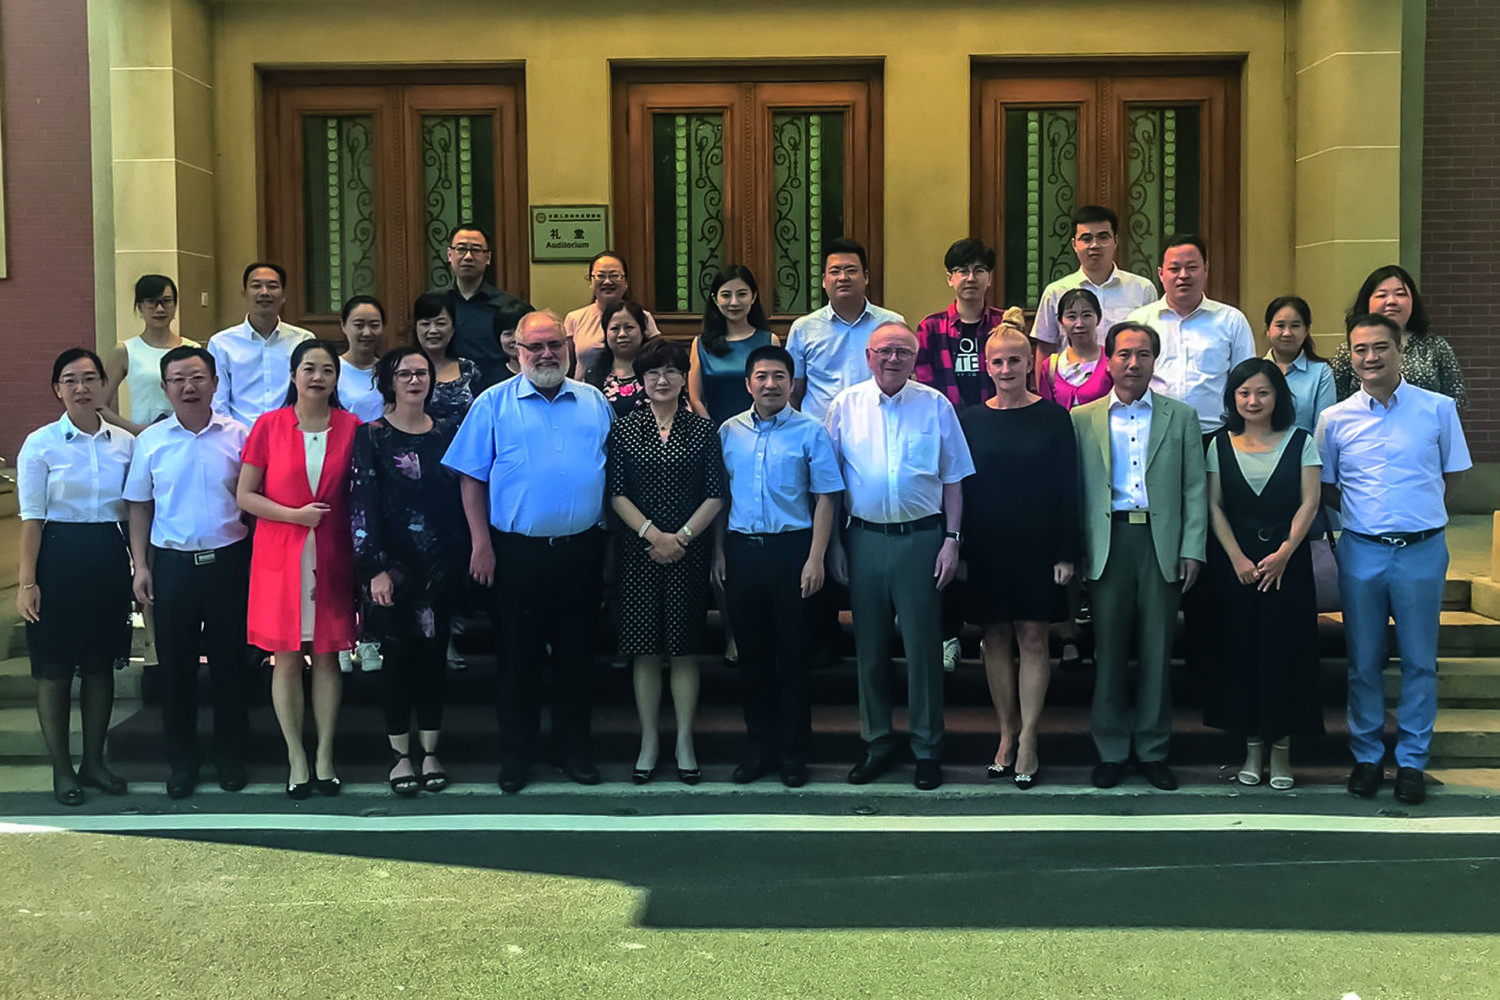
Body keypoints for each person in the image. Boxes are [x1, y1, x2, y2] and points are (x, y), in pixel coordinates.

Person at [443, 310, 614, 794]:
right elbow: (471, 476)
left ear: (569, 347)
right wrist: (481, 544)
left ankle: (572, 751)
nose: (545, 354)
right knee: (517, 659)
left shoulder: (594, 402)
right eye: (534, 347)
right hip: (514, 554)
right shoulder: (492, 404)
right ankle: (517, 756)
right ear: (514, 352)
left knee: (576, 658)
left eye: (554, 345)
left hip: (581, 551)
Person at [1318, 313, 1471, 805]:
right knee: (1363, 661)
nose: (1370, 357)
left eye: (1380, 347)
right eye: (1360, 349)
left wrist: (1417, 515)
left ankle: (1411, 762)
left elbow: (1454, 477)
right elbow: (1329, 488)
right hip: (1361, 551)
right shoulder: (1334, 419)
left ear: (1400, 348)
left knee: (1420, 662)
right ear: (1351, 355)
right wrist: (1370, 521)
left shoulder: (1438, 409)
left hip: (1423, 550)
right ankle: (1366, 757)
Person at [825, 322, 975, 791]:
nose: (894, 359)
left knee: (924, 650)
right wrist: (832, 544)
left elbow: (954, 477)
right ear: (868, 356)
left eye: (904, 353)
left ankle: (927, 748)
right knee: (869, 649)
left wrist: (952, 538)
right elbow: (830, 484)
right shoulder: (844, 406)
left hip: (921, 541)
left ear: (915, 359)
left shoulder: (935, 405)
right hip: (863, 539)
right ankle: (877, 744)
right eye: (885, 351)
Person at [1072, 322, 1207, 791]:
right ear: (1107, 360)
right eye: (1125, 354)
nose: (1134, 363)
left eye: (1144, 354)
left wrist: (1193, 548)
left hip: (1160, 542)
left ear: (1155, 361)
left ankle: (1152, 750)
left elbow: (1195, 486)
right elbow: (1074, 492)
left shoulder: (1181, 417)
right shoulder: (1082, 418)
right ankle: (1110, 749)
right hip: (1107, 545)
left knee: (1156, 652)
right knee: (1108, 654)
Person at [124, 346, 251, 799]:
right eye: (177, 379)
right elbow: (139, 505)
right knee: (175, 671)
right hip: (173, 566)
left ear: (215, 383)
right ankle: (182, 761)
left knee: (230, 667)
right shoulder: (151, 442)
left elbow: (255, 500)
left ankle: (231, 756)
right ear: (164, 388)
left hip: (230, 562)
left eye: (197, 377)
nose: (188, 387)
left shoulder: (240, 435)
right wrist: (141, 565)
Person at [713, 345, 842, 788]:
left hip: (794, 552)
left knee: (793, 657)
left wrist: (816, 558)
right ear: (748, 383)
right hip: (743, 552)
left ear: (792, 382)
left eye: (779, 377)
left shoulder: (810, 431)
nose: (771, 385)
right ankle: (760, 748)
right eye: (762, 377)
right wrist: (719, 553)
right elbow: (721, 498)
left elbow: (826, 495)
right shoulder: (729, 432)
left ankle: (794, 753)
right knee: (753, 657)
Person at [236, 339, 359, 799]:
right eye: (308, 368)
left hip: (332, 553)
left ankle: (325, 754)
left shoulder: (352, 427)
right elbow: (245, 496)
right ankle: (296, 756)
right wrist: (293, 515)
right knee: (285, 657)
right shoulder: (268, 426)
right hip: (279, 553)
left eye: (327, 370)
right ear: (293, 375)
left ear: (335, 379)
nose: (318, 377)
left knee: (328, 655)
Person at [959, 325, 1079, 789]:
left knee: (1032, 635)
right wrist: (961, 546)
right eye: (997, 361)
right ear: (986, 366)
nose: (1006, 369)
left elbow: (1070, 487)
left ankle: (1030, 736)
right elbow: (960, 490)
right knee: (995, 637)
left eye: (1015, 360)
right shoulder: (969, 419)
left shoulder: (1053, 418)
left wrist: (1067, 550)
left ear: (1030, 363)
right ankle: (1006, 733)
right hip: (987, 545)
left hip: (1039, 544)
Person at [15, 349, 134, 806]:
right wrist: (28, 583)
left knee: (100, 664)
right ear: (57, 389)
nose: (82, 387)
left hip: (107, 558)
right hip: (56, 561)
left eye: (90, 378)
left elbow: (136, 510)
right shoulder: (40, 444)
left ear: (105, 384)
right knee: (55, 669)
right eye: (70, 380)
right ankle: (62, 770)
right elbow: (31, 519)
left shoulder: (124, 444)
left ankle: (94, 762)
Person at [607, 337, 726, 785]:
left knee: (683, 649)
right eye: (653, 373)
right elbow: (616, 493)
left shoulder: (703, 430)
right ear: (641, 380)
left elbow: (715, 494)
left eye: (671, 372)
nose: (662, 380)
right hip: (638, 551)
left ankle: (684, 741)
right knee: (644, 651)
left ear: (683, 378)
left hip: (687, 552)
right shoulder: (623, 428)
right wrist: (652, 534)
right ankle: (649, 740)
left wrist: (681, 538)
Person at [351, 346, 468, 797]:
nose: (416, 381)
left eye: (422, 373)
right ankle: (401, 755)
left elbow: (463, 497)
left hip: (441, 566)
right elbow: (361, 507)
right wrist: (374, 568)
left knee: (435, 659)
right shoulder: (373, 436)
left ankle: (432, 749)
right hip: (392, 570)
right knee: (398, 661)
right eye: (405, 374)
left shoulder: (448, 433)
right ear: (390, 382)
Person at [1203, 359, 1324, 790]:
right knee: (1242, 654)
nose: (1253, 401)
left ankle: (1283, 752)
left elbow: (1309, 502)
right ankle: (1251, 749)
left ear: (1278, 397)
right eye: (1244, 393)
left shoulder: (1301, 441)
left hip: (1287, 566)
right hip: (1236, 568)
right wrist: (1236, 557)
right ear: (1233, 398)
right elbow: (1213, 505)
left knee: (1284, 654)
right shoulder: (1218, 443)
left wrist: (1285, 552)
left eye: (1263, 392)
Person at [1125, 235, 1256, 439]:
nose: (1183, 275)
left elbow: (1246, 380)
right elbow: (1127, 380)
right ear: (1161, 273)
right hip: (1153, 433)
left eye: (1192, 267)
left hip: (1214, 434)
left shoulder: (1231, 320)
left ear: (1206, 269)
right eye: (1174, 269)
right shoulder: (1139, 322)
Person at [786, 238, 905, 422]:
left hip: (878, 428)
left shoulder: (891, 324)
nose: (843, 277)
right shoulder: (804, 328)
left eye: (851, 270)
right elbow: (794, 391)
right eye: (835, 271)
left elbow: (902, 380)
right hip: (820, 433)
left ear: (865, 277)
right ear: (824, 281)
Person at [1031, 206, 1158, 371]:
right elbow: (1045, 351)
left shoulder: (1142, 289)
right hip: (1072, 389)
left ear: (1116, 241)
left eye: (1103, 237)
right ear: (1074, 244)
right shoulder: (1055, 292)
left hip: (1128, 388)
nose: (1095, 245)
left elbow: (1152, 348)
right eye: (1086, 238)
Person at [1329, 264, 1466, 409]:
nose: (1391, 301)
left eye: (1400, 294)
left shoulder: (1436, 346)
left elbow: (1456, 401)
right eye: (1382, 295)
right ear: (1367, 302)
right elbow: (1336, 402)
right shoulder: (1349, 350)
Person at [914, 238, 1023, 410]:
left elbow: (1020, 377)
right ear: (950, 279)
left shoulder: (1005, 324)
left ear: (989, 278)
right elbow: (925, 386)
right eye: (962, 271)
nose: (971, 278)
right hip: (946, 420)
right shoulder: (930, 328)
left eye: (979, 270)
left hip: (999, 418)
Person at [208, 262, 314, 428]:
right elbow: (218, 402)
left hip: (292, 435)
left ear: (284, 295)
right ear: (244, 293)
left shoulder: (303, 340)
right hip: (240, 438)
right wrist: (234, 436)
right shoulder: (222, 343)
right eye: (256, 286)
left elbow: (313, 394)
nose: (264, 292)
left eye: (272, 286)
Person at [103, 274, 200, 433]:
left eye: (167, 301)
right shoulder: (126, 351)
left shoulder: (193, 349)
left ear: (175, 305)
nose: (160, 308)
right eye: (151, 302)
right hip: (143, 439)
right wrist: (134, 429)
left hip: (187, 436)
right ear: (140, 307)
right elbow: (99, 405)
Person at [442, 223, 533, 393]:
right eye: (461, 249)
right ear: (450, 254)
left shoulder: (509, 306)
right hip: (448, 395)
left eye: (476, 250)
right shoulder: (439, 304)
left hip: (501, 392)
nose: (468, 256)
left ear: (488, 258)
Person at [689, 265, 777, 426]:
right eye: (726, 295)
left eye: (742, 294)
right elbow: (696, 400)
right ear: (715, 299)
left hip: (762, 432)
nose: (734, 302)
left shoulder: (770, 341)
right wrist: (713, 434)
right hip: (715, 435)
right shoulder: (700, 345)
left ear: (754, 297)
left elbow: (776, 393)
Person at [565, 251, 661, 380]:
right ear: (591, 281)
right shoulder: (574, 318)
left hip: (635, 394)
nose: (608, 282)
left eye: (615, 276)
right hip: (585, 395)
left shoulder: (644, 317)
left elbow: (659, 360)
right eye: (600, 276)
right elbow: (567, 368)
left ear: (626, 281)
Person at [1263, 295, 1335, 435]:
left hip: (1304, 453)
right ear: (1268, 329)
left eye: (1295, 326)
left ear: (1306, 330)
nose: (1287, 333)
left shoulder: (1321, 372)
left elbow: (1323, 430)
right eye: (1280, 325)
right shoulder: (1255, 371)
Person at [1037, 288, 1114, 411]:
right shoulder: (1051, 367)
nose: (1079, 324)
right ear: (1060, 321)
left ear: (1098, 318)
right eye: (1071, 317)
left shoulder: (1111, 361)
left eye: (1087, 315)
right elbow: (1045, 412)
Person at [413, 291, 480, 422]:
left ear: (453, 328)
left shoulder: (469, 369)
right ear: (416, 328)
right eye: (425, 324)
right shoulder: (403, 369)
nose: (433, 330)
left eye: (441, 323)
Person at [582, 300, 651, 418]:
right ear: (605, 333)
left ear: (643, 332)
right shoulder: (593, 376)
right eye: (615, 328)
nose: (622, 334)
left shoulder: (657, 370)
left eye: (629, 327)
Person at [338, 295, 387, 423]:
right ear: (343, 325)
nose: (367, 332)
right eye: (359, 325)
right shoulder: (333, 370)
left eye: (374, 325)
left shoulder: (392, 370)